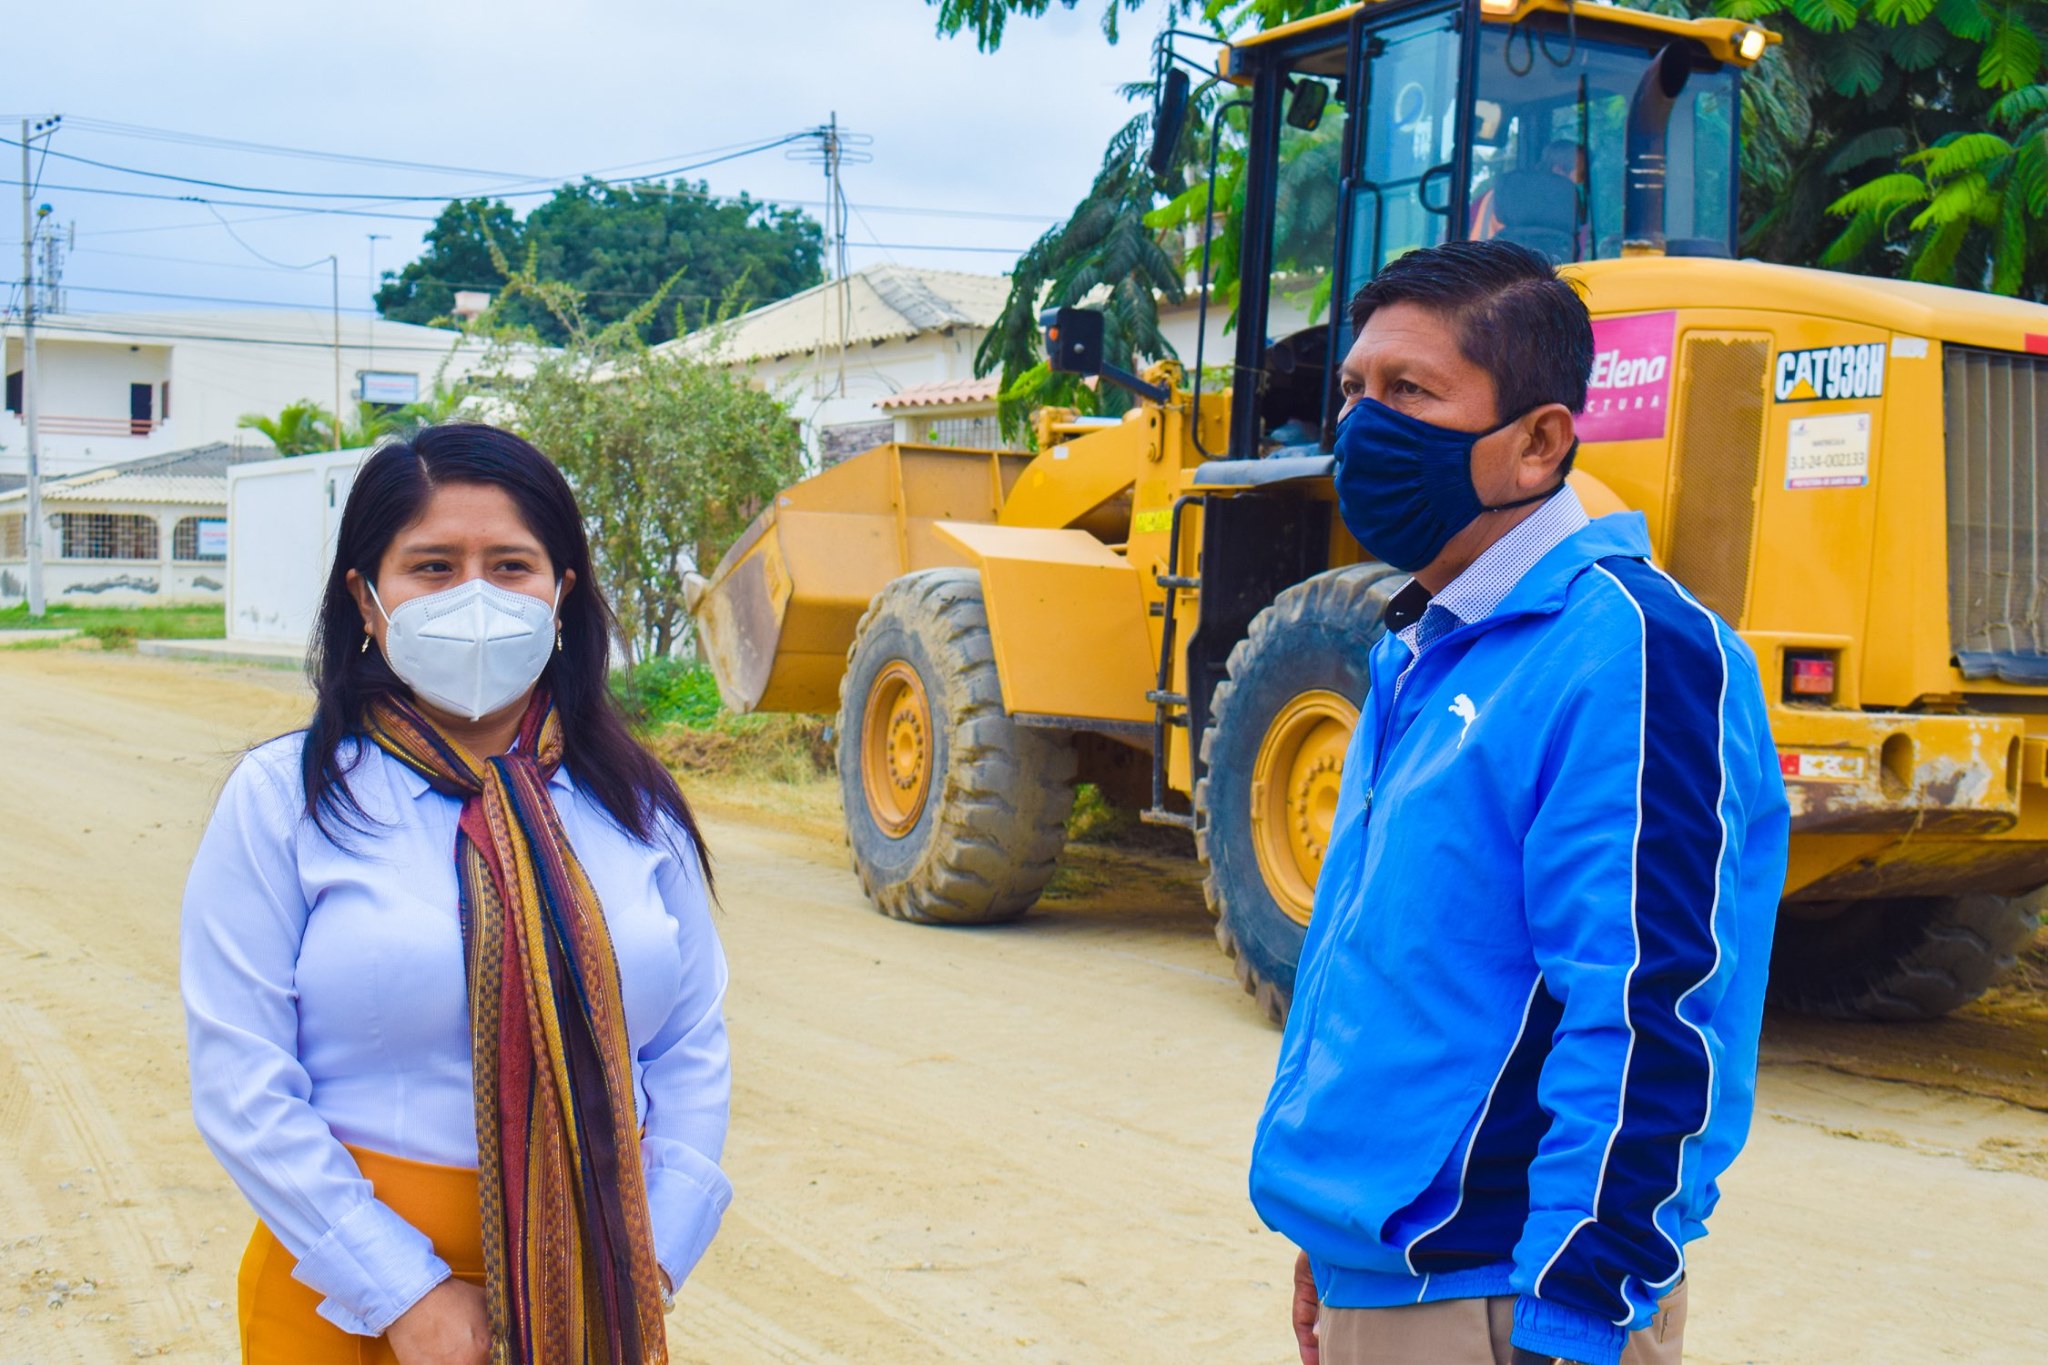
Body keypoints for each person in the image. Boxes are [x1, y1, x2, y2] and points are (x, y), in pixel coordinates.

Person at [1250, 241, 1788, 1365]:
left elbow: (1648, 1011)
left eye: (1409, 391)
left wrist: (1573, 1316)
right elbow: (1419, 976)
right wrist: (1337, 1237)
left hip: (1507, 1297)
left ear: (1539, 441)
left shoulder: (1627, 653)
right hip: (1389, 1271)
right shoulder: (1423, 643)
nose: (1361, 425)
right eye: (1352, 389)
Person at [181, 424, 731, 1364]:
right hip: (345, 1293)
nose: (475, 596)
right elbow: (242, 1076)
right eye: (432, 566)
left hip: (592, 1286)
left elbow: (691, 1048)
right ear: (366, 598)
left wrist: (652, 1253)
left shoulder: (635, 808)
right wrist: (403, 1290)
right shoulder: (285, 801)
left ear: (561, 592)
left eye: (510, 565)